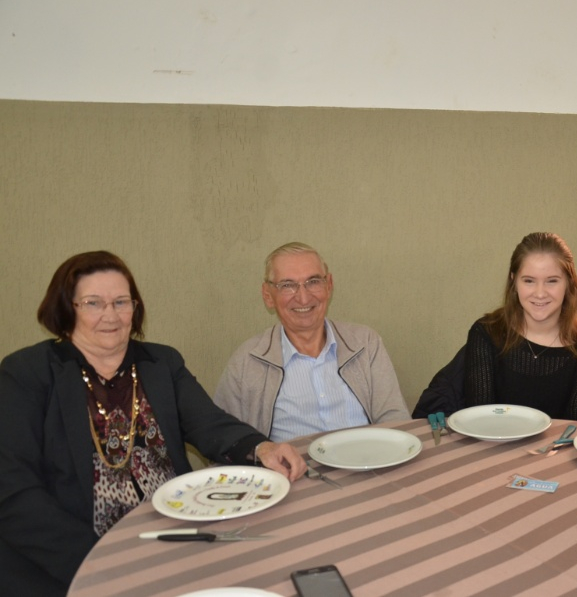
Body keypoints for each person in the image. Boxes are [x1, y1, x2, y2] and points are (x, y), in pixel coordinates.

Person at [0, 251, 306, 597]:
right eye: (93, 303)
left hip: (173, 535)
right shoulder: (27, 373)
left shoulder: (161, 362)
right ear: (67, 309)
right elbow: (13, 489)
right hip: (77, 555)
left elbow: (210, 424)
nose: (110, 315)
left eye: (121, 302)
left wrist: (262, 447)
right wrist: (101, 559)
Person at [215, 242, 410, 441]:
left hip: (367, 464)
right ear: (268, 296)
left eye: (313, 281)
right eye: (287, 286)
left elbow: (395, 420)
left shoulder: (365, 344)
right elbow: (226, 439)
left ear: (329, 286)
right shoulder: (247, 362)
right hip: (291, 471)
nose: (303, 297)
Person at [464, 232, 577, 421]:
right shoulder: (486, 333)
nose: (540, 293)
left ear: (569, 283)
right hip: (495, 448)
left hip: (559, 450)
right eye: (529, 281)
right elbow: (481, 419)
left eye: (552, 281)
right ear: (514, 281)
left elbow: (573, 429)